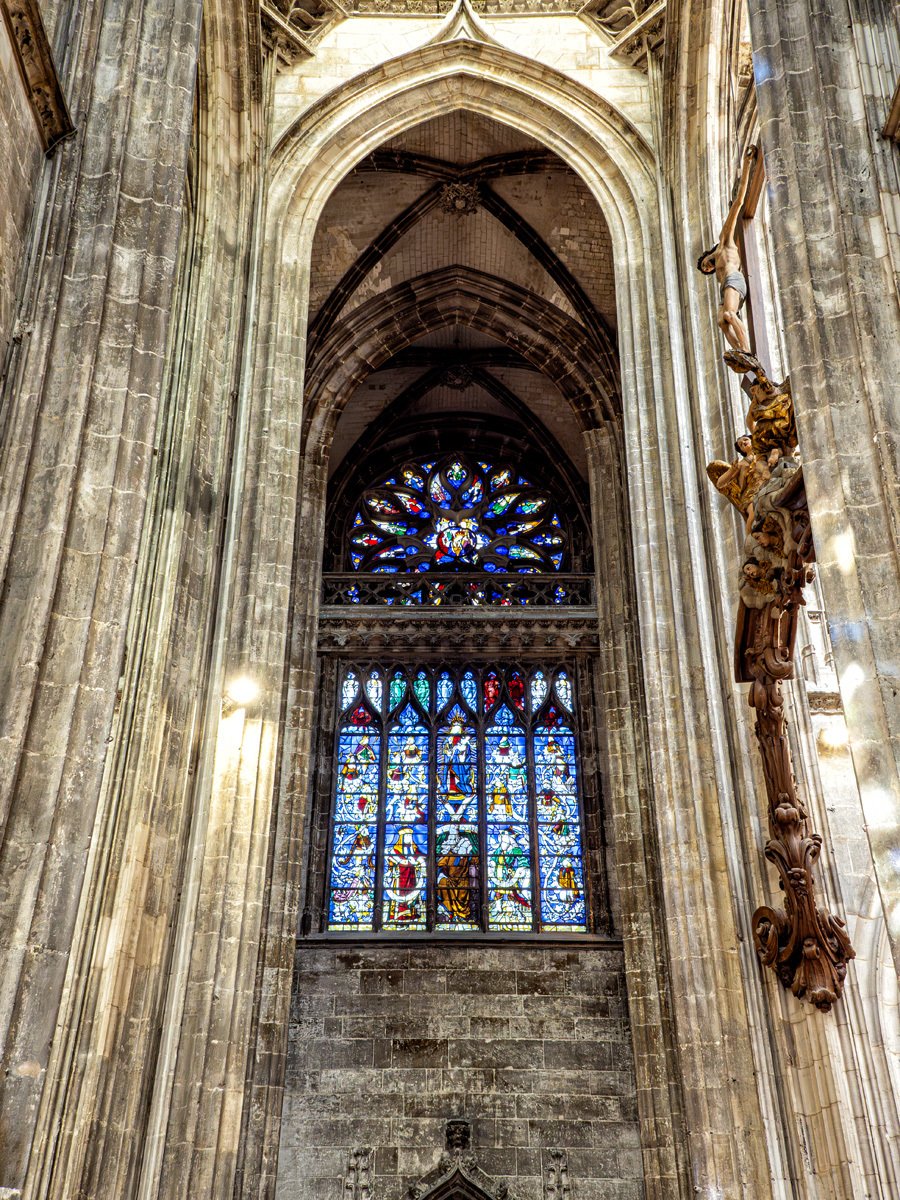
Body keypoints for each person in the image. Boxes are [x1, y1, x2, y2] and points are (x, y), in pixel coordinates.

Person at [697, 146, 758, 353]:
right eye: (706, 270)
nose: (707, 267)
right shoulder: (718, 275)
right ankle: (739, 352)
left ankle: (747, 352)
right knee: (721, 322)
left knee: (729, 315)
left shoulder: (725, 242)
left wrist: (747, 164)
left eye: (704, 264)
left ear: (707, 255)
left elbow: (738, 203)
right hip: (726, 287)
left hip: (734, 279)